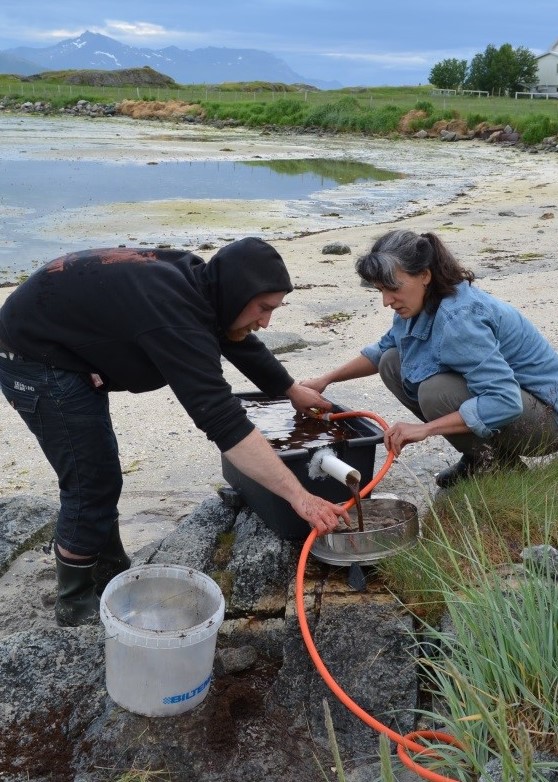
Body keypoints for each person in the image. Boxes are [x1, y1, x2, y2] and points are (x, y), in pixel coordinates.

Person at [0, 238, 349, 628]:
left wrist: (289, 389)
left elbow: (237, 339)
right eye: (262, 308)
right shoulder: (174, 315)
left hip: (61, 335)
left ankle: (110, 570)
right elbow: (222, 420)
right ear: (237, 293)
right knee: (89, 480)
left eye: (273, 309)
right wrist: (298, 495)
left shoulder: (206, 287)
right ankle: (75, 601)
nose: (267, 321)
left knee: (98, 470)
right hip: (32, 355)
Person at [302, 229, 558, 489]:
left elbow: (505, 401)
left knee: (435, 393)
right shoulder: (420, 303)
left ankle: (499, 467)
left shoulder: (459, 320)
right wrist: (325, 380)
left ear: (424, 275)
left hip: (546, 421)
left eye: (392, 288)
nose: (386, 301)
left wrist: (426, 429)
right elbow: (382, 350)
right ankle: (478, 456)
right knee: (391, 361)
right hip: (519, 403)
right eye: (380, 290)